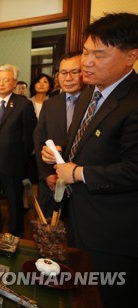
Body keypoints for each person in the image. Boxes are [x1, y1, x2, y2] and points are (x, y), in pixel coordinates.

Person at [41, 13, 138, 307]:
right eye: (85, 52)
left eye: (100, 54)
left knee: (107, 296)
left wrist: (78, 173)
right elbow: (82, 143)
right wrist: (59, 152)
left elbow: (135, 169)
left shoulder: (133, 102)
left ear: (130, 57)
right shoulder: (89, 93)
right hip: (80, 219)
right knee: (81, 292)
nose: (87, 62)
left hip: (114, 231)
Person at [0, 64, 37, 236]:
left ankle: (15, 235)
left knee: (14, 203)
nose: (1, 83)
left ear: (14, 83)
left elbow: (30, 136)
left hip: (13, 164)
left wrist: (22, 159)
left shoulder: (23, 104)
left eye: (6, 80)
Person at [34, 51, 85, 217]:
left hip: (82, 183)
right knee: (49, 229)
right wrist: (47, 173)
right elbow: (39, 139)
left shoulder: (93, 102)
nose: (68, 78)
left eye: (74, 72)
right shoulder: (51, 104)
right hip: (52, 181)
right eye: (63, 73)